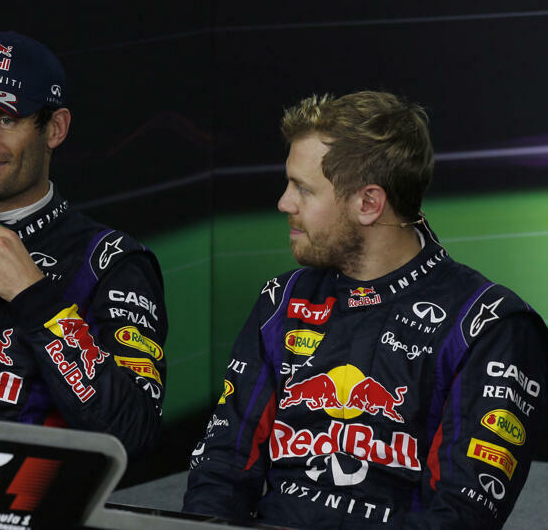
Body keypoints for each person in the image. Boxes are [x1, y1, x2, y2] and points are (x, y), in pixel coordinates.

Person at [184, 91, 548, 528]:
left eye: (303, 188)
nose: (284, 203)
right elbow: (222, 469)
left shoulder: (489, 324)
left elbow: (458, 516)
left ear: (369, 203)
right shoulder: (282, 300)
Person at [0, 31, 166, 463]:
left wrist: (35, 298)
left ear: (55, 128)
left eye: (5, 119)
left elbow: (133, 429)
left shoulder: (111, 261)